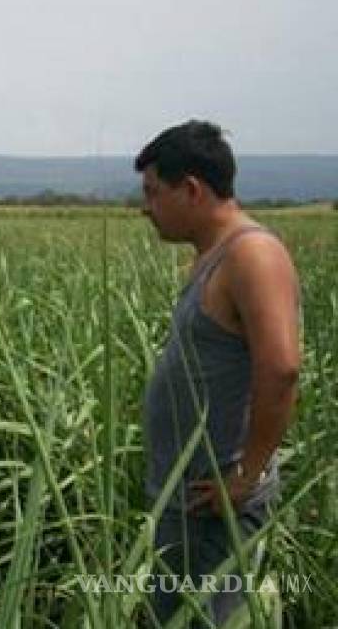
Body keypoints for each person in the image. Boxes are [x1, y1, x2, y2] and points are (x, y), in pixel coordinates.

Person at [137, 121, 300, 626]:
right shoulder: (214, 256)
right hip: (190, 496)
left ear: (191, 189)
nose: (145, 207)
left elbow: (282, 368)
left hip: (217, 501)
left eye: (153, 192)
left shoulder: (252, 254)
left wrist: (245, 475)